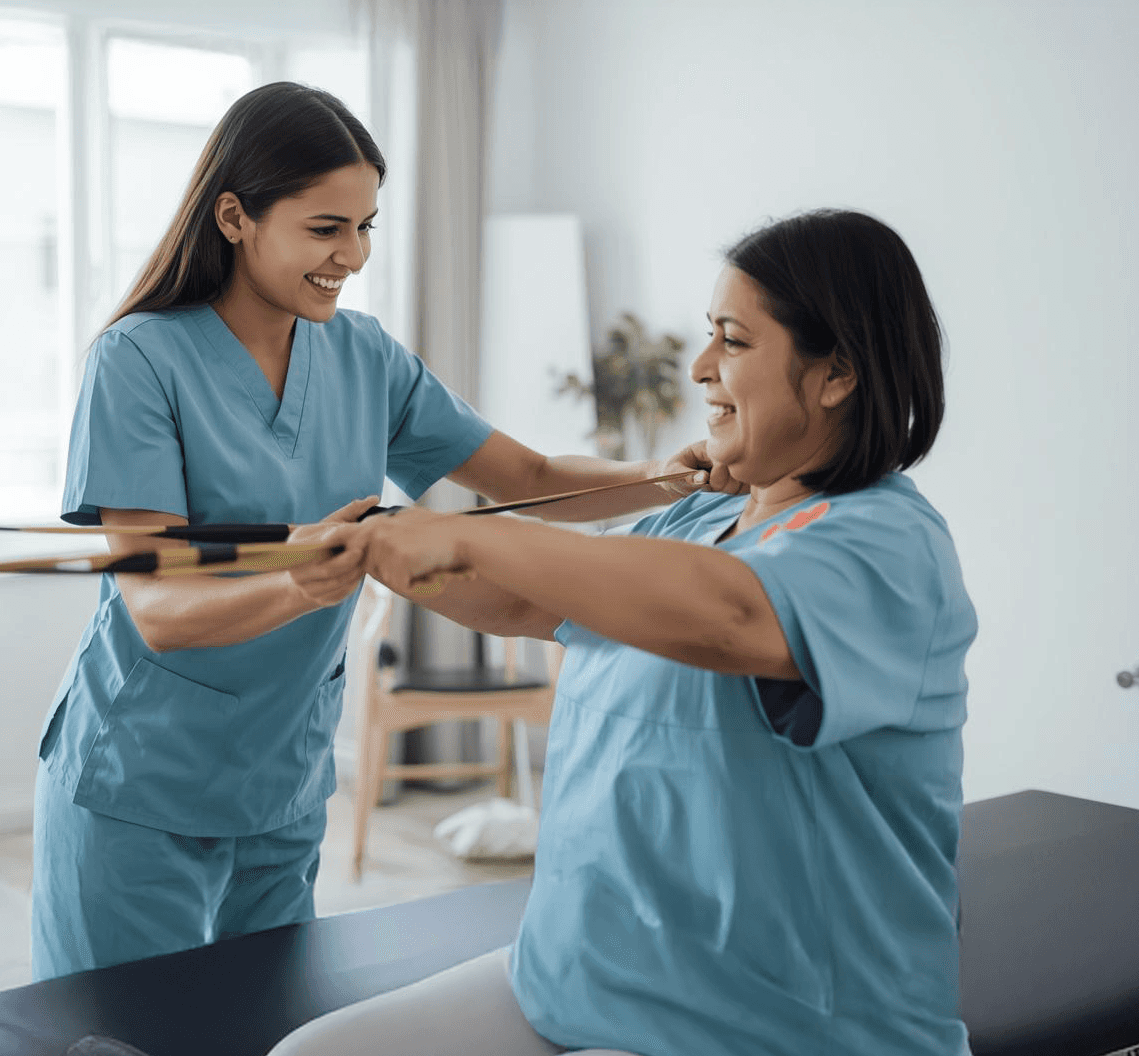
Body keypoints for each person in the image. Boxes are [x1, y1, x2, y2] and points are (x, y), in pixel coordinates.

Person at [238, 209, 979, 1056]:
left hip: (776, 1050)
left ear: (837, 374)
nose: (701, 370)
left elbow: (731, 616)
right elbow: (528, 603)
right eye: (708, 338)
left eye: (734, 342)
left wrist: (465, 530)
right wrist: (382, 547)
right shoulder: (701, 521)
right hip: (591, 975)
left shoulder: (886, 546)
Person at [32, 81, 722, 981]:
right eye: (325, 228)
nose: (351, 255)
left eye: (365, 227)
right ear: (235, 217)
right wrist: (302, 583)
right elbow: (157, 607)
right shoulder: (140, 360)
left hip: (281, 777)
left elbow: (532, 481)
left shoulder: (363, 357)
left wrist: (663, 475)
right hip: (138, 778)